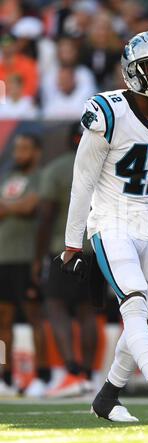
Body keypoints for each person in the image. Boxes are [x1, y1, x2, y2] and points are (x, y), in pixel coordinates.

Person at [61, 31, 148, 422]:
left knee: (146, 317)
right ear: (132, 71)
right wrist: (72, 243)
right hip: (111, 220)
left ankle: (106, 397)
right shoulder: (107, 111)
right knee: (133, 303)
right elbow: (82, 180)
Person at [33, 124, 101, 398]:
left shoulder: (58, 168)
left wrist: (37, 258)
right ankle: (88, 374)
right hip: (98, 247)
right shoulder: (106, 164)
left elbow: (46, 217)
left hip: (65, 249)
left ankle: (71, 371)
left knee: (56, 307)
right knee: (88, 312)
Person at [0, 134, 49, 397]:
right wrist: (13, 207)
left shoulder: (41, 177)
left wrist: (8, 207)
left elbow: (30, 206)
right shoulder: (7, 178)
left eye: (25, 148)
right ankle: (4, 376)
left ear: (37, 152)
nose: (19, 153)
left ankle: (42, 375)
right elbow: (16, 207)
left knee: (34, 317)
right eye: (17, 148)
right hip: (3, 257)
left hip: (26, 257)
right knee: (2, 321)